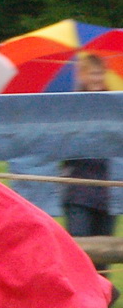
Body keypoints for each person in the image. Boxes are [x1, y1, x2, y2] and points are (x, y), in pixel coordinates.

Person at [61, 52, 113, 238]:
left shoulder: (114, 104)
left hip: (107, 191)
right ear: (82, 75)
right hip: (78, 192)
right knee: (81, 249)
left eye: (100, 73)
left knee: (104, 254)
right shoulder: (70, 106)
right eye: (93, 73)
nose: (97, 78)